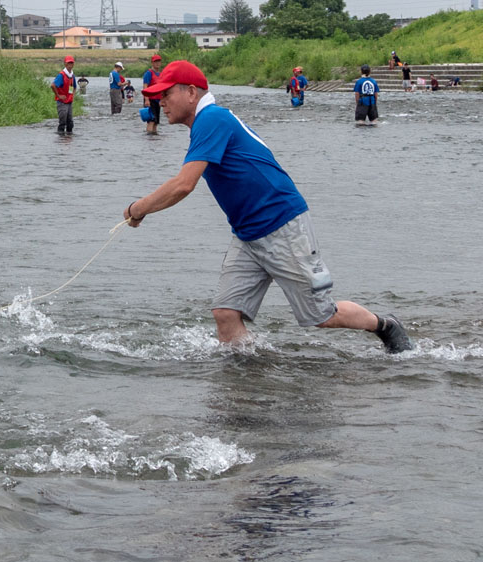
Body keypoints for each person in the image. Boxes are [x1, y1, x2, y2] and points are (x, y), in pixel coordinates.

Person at [123, 60, 412, 353]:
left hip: (281, 224)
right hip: (247, 233)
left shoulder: (212, 119)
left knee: (322, 316)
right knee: (226, 313)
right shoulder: (205, 123)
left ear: (192, 93)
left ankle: (385, 325)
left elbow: (184, 184)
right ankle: (251, 374)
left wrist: (139, 208)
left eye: (166, 94)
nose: (161, 102)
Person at [49, 55, 81, 134]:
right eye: (68, 63)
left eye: (71, 63)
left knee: (70, 123)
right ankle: (61, 140)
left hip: (69, 102)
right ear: (65, 64)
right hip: (62, 102)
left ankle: (68, 138)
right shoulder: (61, 75)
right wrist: (58, 95)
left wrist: (72, 95)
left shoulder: (72, 76)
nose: (70, 65)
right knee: (62, 123)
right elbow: (53, 85)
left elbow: (74, 87)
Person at [142, 53, 163, 134]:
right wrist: (146, 100)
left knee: (156, 121)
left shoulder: (161, 74)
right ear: (152, 63)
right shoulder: (149, 73)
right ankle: (149, 137)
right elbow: (145, 87)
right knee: (151, 120)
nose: (157, 63)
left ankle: (154, 137)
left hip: (158, 100)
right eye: (155, 62)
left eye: (159, 61)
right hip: (150, 100)